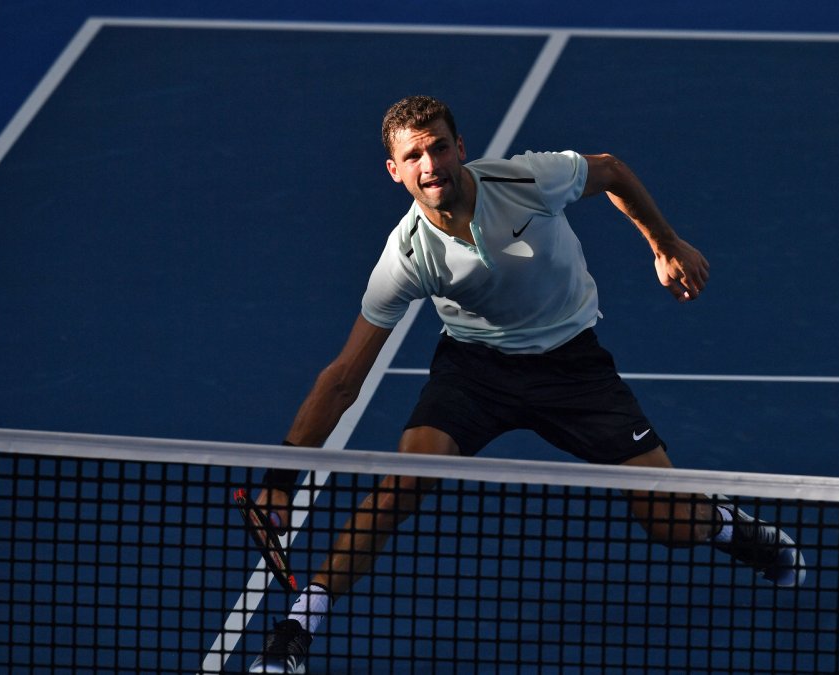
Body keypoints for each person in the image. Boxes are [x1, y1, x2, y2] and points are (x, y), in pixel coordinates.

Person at [247, 95, 805, 673]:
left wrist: (664, 244)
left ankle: (727, 526)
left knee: (671, 523)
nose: (430, 164)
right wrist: (281, 482)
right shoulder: (406, 255)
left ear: (460, 147)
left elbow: (611, 169)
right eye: (413, 155)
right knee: (401, 483)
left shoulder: (526, 179)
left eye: (439, 146)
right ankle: (297, 628)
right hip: (475, 369)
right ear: (395, 171)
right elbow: (342, 380)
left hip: (572, 366)